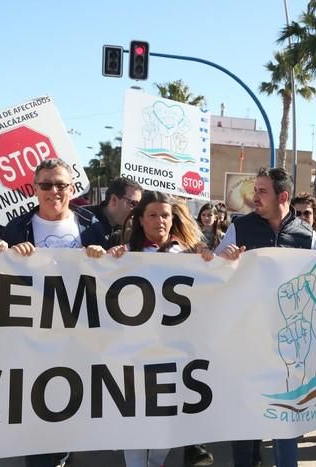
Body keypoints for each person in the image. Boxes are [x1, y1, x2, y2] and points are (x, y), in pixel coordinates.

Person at [214, 167, 316, 467]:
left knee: (286, 417)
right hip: (249, 341)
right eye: (255, 190)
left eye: (262, 191)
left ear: (282, 196)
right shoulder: (240, 227)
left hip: (291, 347)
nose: (254, 197)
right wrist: (223, 262)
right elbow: (213, 272)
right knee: (246, 419)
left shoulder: (306, 234)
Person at [0, 158, 109, 467]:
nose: (54, 191)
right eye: (46, 185)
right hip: (34, 334)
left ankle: (61, 454)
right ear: (35, 189)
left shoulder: (94, 225)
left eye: (61, 184)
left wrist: (104, 256)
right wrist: (2, 252)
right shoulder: (17, 227)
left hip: (79, 331)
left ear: (71, 188)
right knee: (37, 405)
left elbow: (113, 274)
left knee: (71, 403)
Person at [109, 191, 213, 467]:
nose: (160, 221)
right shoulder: (126, 254)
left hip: (173, 356)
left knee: (164, 430)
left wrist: (219, 261)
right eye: (152, 215)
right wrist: (105, 261)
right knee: (134, 425)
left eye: (165, 215)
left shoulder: (190, 253)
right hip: (133, 354)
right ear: (141, 220)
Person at [83, 176, 143, 247]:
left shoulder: (132, 231)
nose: (136, 210)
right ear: (114, 200)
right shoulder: (81, 220)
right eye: (133, 204)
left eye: (139, 206)